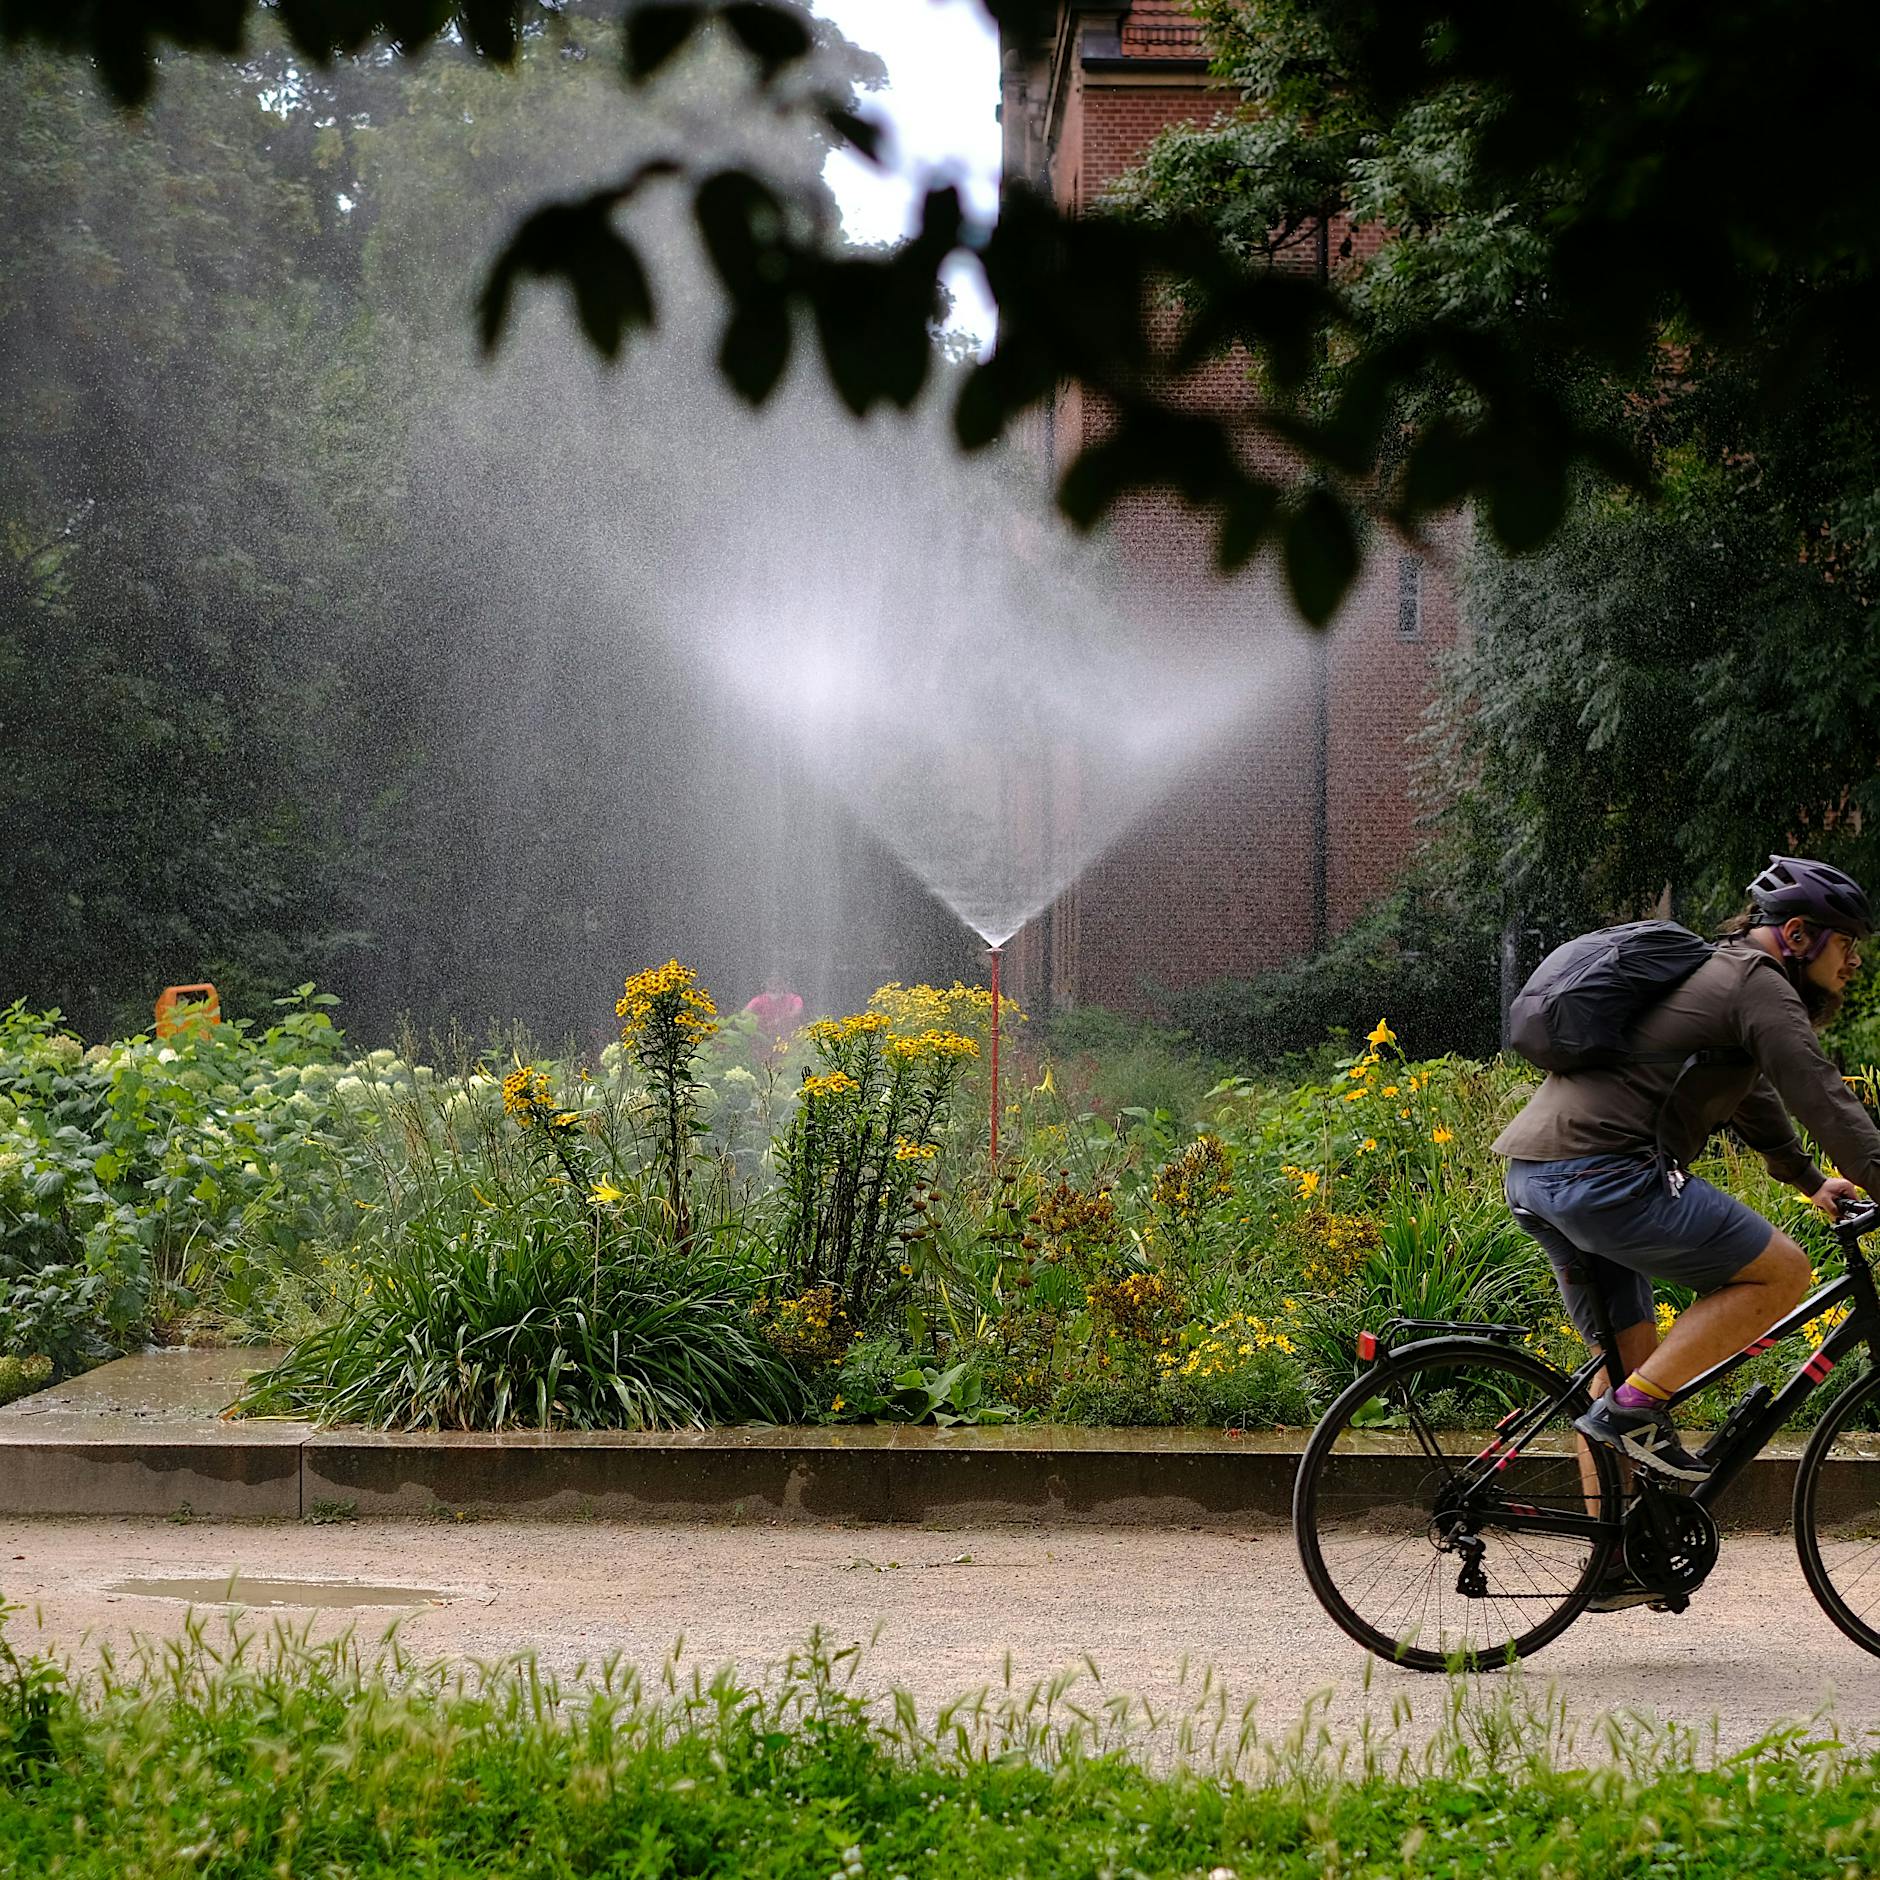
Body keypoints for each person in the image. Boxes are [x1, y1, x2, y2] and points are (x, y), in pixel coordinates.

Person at [1497, 858, 1880, 1516]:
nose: (1854, 964)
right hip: (1603, 1173)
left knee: (1626, 1368)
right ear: (1796, 934)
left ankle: (1613, 1558)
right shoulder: (1758, 981)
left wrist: (1809, 1178)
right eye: (1846, 945)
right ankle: (1631, 1414)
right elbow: (1822, 1098)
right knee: (1783, 1274)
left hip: (1538, 1174)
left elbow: (1751, 1094)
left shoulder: (1721, 973)